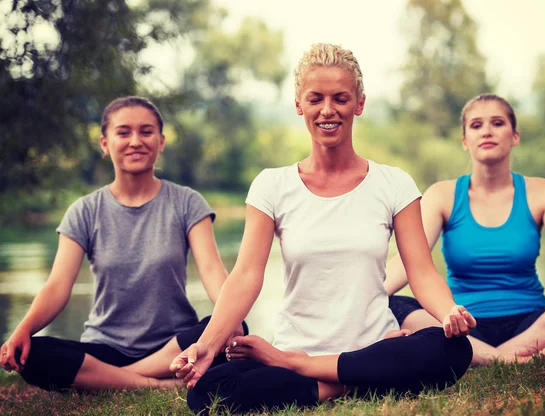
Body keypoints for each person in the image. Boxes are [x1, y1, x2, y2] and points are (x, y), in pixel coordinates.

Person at [169, 43, 476, 415]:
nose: (327, 110)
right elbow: (246, 275)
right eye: (315, 99)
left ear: (359, 103)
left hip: (370, 347)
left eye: (341, 98)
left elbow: (421, 272)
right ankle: (356, 380)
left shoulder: (393, 183)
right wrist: (206, 345)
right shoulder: (272, 185)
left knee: (454, 348)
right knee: (207, 392)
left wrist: (448, 313)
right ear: (299, 104)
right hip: (300, 345)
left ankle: (309, 372)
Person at [0, 96, 246, 391]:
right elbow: (57, 286)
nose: (135, 141)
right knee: (35, 355)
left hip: (173, 343)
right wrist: (23, 330)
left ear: (161, 142)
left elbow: (210, 269)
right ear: (105, 144)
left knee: (235, 326)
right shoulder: (84, 211)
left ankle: (111, 379)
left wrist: (230, 316)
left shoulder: (187, 202)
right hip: (105, 348)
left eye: (146, 131)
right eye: (123, 132)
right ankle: (157, 384)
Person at [386, 93, 545, 366]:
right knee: (393, 304)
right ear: (465, 141)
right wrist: (369, 296)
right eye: (476, 125)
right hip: (463, 326)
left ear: (515, 136)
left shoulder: (543, 192)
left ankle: (482, 359)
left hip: (532, 323)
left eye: (497, 123)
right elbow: (409, 262)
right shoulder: (442, 195)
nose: (487, 131)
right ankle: (507, 359)